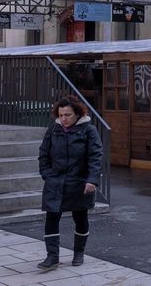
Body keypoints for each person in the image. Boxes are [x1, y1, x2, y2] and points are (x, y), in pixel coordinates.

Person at [37, 95, 102, 270]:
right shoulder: (53, 129)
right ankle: (52, 257)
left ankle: (79, 253)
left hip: (79, 182)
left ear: (78, 114)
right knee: (51, 217)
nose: (64, 119)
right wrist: (47, 174)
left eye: (68, 115)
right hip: (55, 181)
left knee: (80, 217)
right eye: (61, 115)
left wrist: (92, 180)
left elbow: (95, 157)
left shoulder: (88, 130)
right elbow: (43, 153)